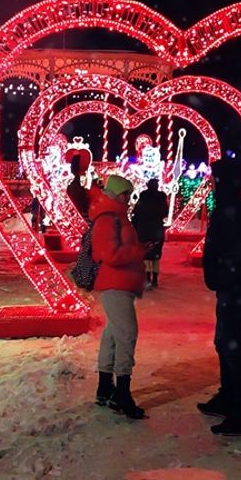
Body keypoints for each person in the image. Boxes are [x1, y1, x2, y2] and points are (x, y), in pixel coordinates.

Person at [198, 158, 241, 436]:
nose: (212, 183)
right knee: (224, 344)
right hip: (230, 285)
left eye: (215, 179)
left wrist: (225, 276)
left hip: (235, 287)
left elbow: (238, 252)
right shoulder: (229, 206)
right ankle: (228, 398)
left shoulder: (233, 209)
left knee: (232, 347)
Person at [91, 175, 151, 419]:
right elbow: (111, 255)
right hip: (115, 284)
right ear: (115, 194)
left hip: (119, 284)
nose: (129, 198)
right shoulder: (108, 218)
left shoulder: (116, 216)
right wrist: (140, 251)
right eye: (125, 193)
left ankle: (106, 387)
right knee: (127, 335)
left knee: (114, 334)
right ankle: (122, 393)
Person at [131, 178, 169, 288]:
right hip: (157, 229)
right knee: (156, 254)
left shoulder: (143, 198)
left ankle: (148, 278)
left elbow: (136, 214)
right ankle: (155, 279)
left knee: (146, 254)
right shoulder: (161, 199)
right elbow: (165, 212)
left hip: (144, 229)